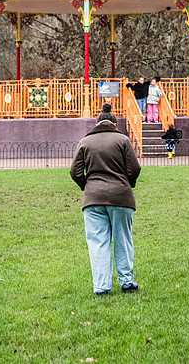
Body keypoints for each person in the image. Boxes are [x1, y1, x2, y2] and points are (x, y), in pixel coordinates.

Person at [69, 102, 142, 295]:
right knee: (123, 239)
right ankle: (127, 282)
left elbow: (74, 172)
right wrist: (128, 183)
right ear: (114, 124)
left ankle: (101, 286)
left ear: (97, 123)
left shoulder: (84, 142)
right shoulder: (123, 140)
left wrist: (88, 186)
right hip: (121, 197)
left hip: (93, 199)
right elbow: (134, 169)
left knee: (98, 242)